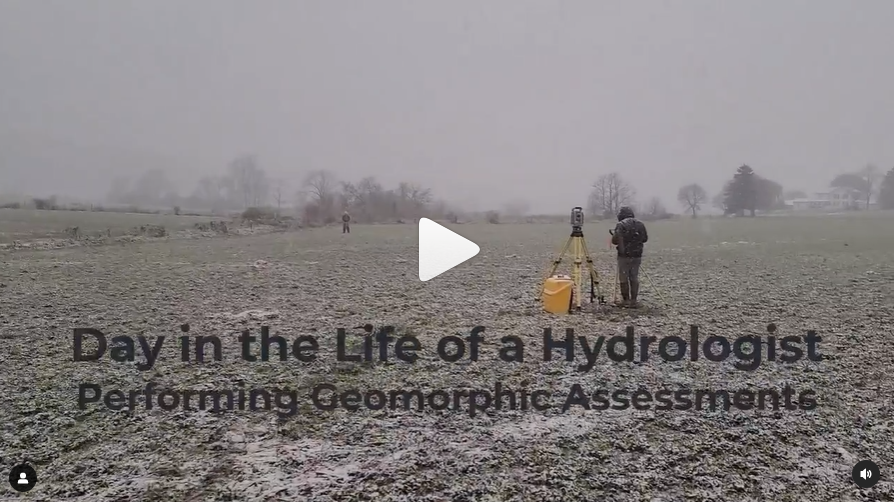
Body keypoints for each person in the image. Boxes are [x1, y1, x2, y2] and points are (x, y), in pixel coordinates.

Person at [610, 206, 648, 307]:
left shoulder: (620, 225)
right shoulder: (640, 224)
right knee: (634, 277)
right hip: (637, 255)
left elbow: (615, 241)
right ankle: (634, 300)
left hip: (624, 256)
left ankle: (626, 300)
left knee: (623, 277)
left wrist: (615, 236)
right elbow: (645, 239)